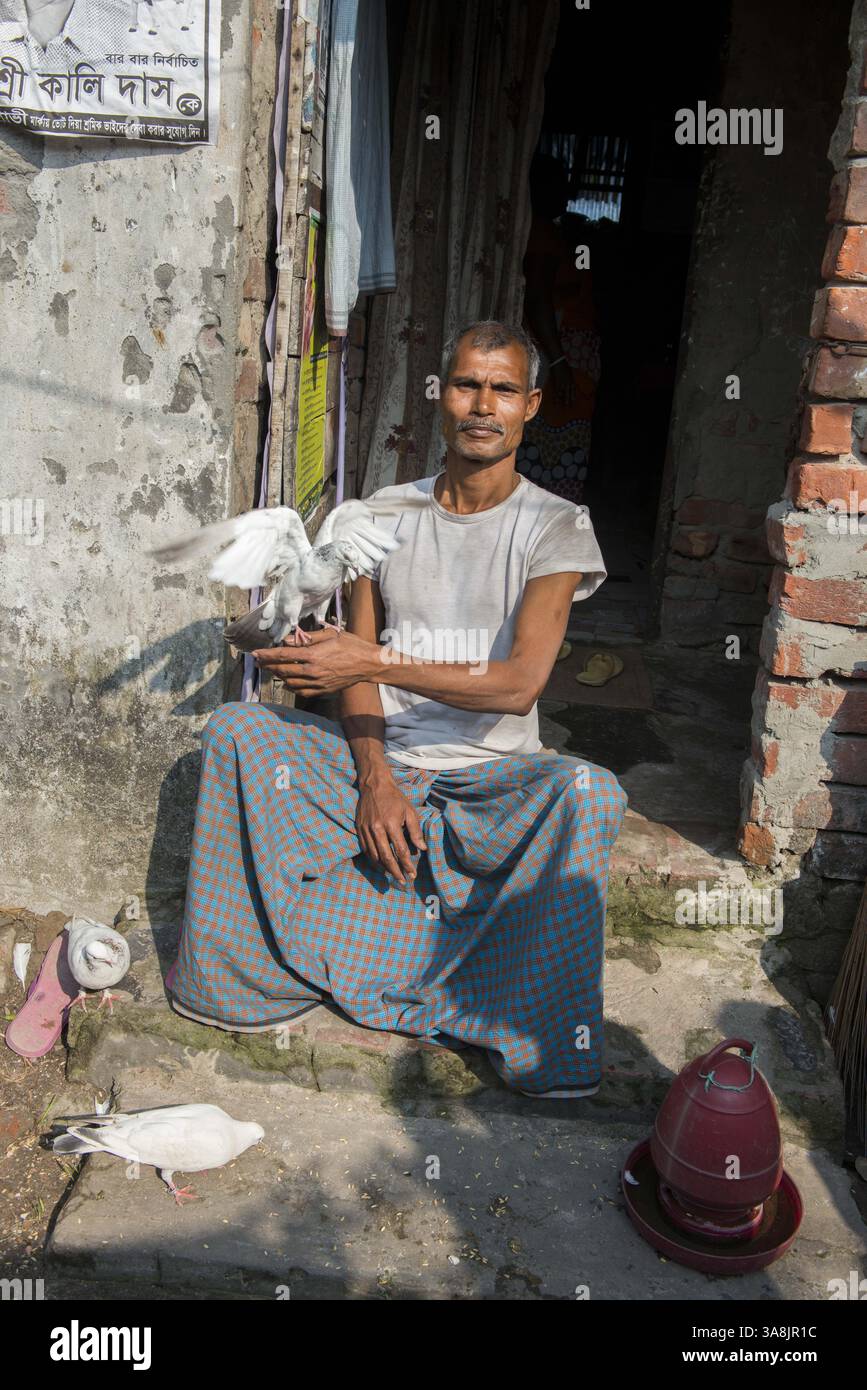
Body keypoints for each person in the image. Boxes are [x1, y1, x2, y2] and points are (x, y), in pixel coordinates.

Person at [168, 320, 627, 1098]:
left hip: (493, 786)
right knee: (236, 733)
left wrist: (371, 658)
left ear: (531, 405)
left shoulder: (556, 526)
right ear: (438, 395)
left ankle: (522, 1028)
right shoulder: (381, 511)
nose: (482, 405)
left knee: (588, 793)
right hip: (384, 760)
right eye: (465, 385)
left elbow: (518, 684)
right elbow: (354, 671)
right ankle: (243, 982)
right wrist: (374, 775)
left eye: (503, 389)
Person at [517, 154, 602, 507]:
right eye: (559, 185)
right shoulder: (542, 235)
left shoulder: (550, 234)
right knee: (549, 451)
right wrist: (559, 363)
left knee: (558, 451)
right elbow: (537, 302)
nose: (567, 194)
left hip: (566, 363)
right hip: (556, 363)